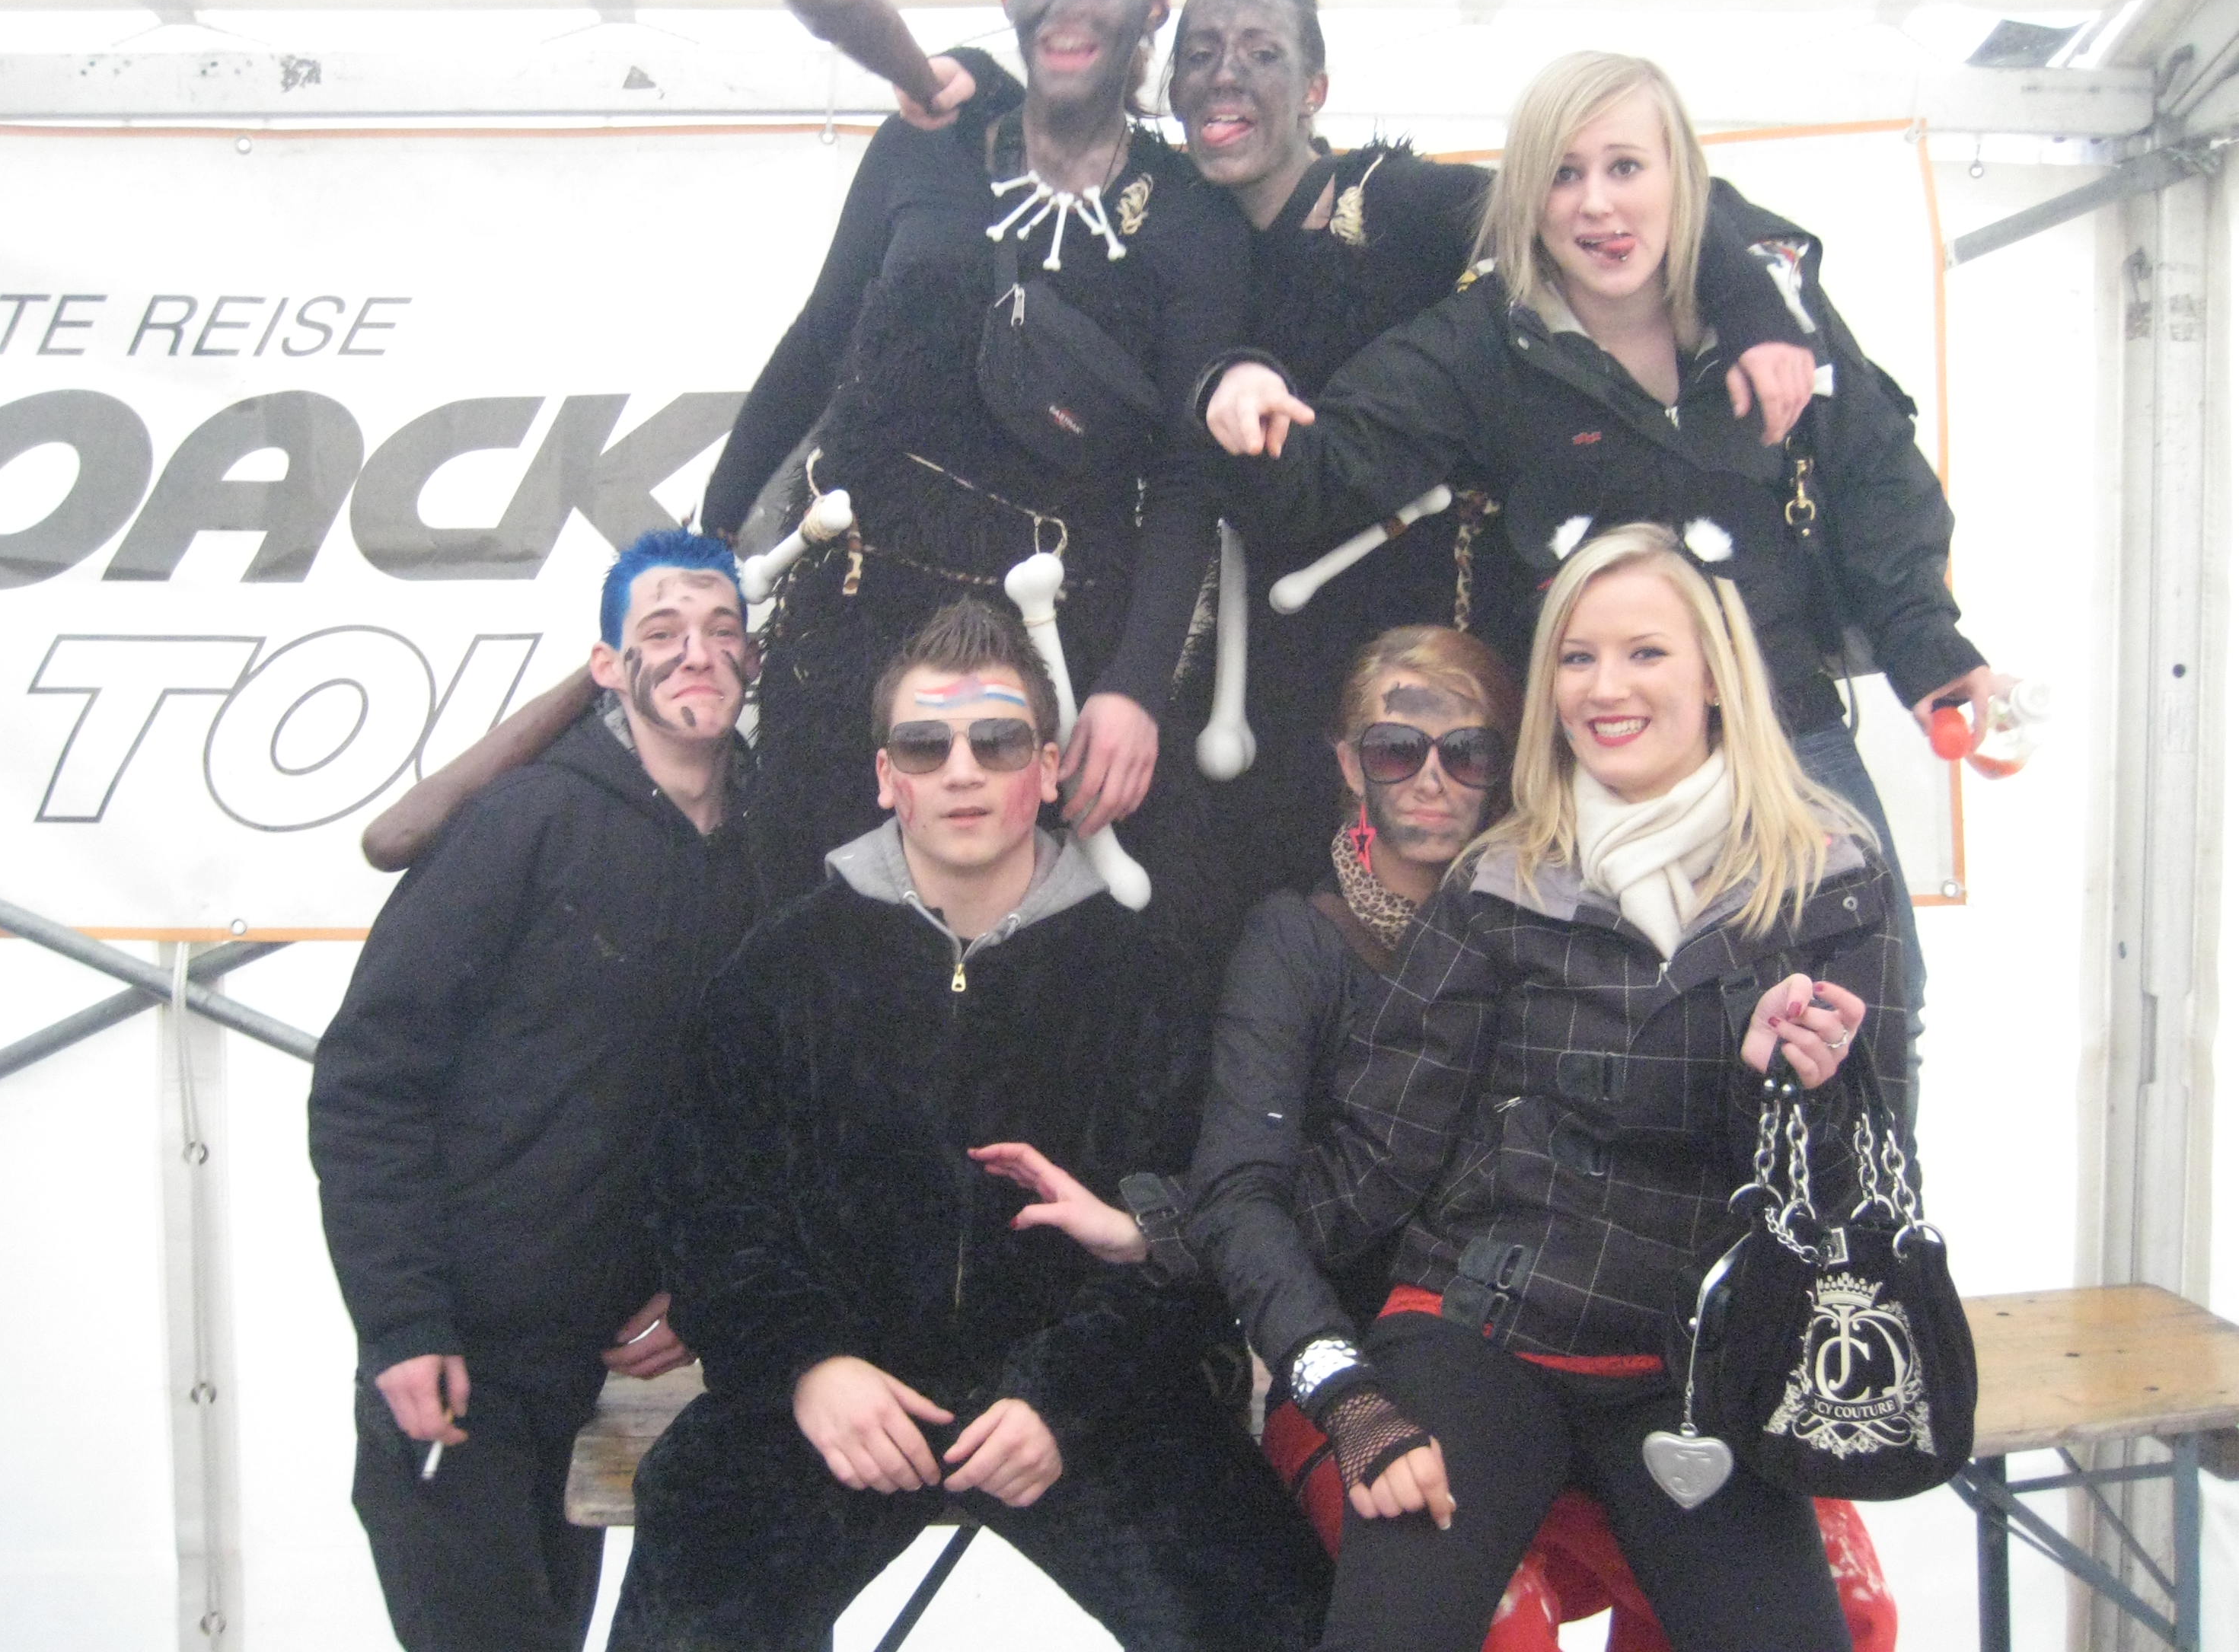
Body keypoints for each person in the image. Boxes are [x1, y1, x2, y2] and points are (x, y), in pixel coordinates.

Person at [981, 623, 1897, 1652]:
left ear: (1511, 766)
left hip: (1597, 1345)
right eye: (1394, 750)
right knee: (1503, 1630)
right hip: (1366, 1351)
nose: (1430, 779)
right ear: (1347, 764)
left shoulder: (1564, 918)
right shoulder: (1297, 943)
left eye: (1468, 753)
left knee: (1849, 1605)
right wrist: (1174, 1234)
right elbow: (1310, 1179)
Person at [1203, 51, 1994, 1073]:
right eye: (1563, 175)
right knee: (1614, 1031)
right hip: (1591, 743)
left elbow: (1876, 474)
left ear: (1681, 180)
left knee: (1875, 1006)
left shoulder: (1772, 304)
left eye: (1626, 167)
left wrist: (1929, 646)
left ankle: (1849, 1185)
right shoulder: (1482, 340)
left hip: (1782, 722)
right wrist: (1240, 392)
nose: (1597, 205)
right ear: (1526, 200)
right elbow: (1323, 472)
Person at [608, 598, 1329, 1652]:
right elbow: (708, 1211)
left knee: (1271, 1617)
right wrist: (810, 1367)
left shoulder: (1147, 978)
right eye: (925, 745)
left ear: (1048, 768)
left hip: (1092, 1404)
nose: (962, 771)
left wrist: (1061, 1401)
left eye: (998, 742)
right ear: (884, 774)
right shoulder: (780, 970)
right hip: (844, 1398)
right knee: (692, 1607)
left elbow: (1194, 1232)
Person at [1305, 522, 1906, 1651]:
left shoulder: (1829, 876)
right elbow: (1385, 1142)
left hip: (1703, 1355)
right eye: (1577, 657)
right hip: (1485, 1323)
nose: (1605, 687)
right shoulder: (1503, 875)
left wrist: (1791, 1095)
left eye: (1645, 653)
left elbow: (1866, 1190)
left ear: (1717, 675)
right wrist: (1180, 1231)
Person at [1163, 0, 1823, 914]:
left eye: (1263, 53)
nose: (1227, 75)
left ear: (1316, 88)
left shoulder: (1403, 201)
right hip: (1246, 639)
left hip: (1420, 637)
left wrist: (1753, 309)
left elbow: (1613, 212)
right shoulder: (1160, 222)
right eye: (1200, 54)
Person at [693, 0, 1251, 928]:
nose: (1066, 4)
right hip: (849, 621)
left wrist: (1134, 688)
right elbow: (819, 341)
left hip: (1050, 657)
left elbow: (1186, 478)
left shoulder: (1192, 219)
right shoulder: (931, 138)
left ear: (1153, 5)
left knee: (1034, 963)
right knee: (817, 928)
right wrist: (706, 537)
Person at [308, 529, 761, 1652]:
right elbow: (369, 1081)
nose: (696, 653)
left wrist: (701, 1279)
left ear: (751, 661)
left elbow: (765, 1114)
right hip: (462, 1361)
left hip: (615, 1368)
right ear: (608, 666)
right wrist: (402, 1325)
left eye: (721, 631)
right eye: (662, 631)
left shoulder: (768, 851)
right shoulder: (520, 825)